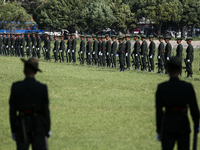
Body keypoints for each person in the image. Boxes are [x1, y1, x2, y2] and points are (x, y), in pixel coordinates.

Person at [156, 56, 199, 150]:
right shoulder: (187, 87)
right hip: (183, 125)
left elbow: (159, 112)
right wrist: (196, 125)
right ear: (179, 70)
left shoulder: (162, 88)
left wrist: (159, 131)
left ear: (168, 70)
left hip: (168, 126)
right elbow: (194, 109)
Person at [9, 57, 51, 150]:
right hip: (38, 125)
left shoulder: (16, 87)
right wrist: (47, 129)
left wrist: (13, 130)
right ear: (36, 71)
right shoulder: (42, 88)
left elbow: (12, 111)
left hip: (22, 124)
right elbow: (46, 111)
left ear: (24, 70)